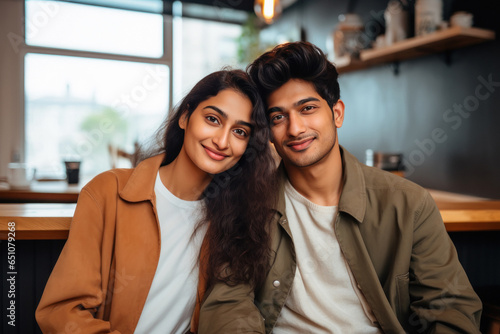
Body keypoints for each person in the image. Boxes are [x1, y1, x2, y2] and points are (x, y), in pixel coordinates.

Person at [198, 42, 482, 333]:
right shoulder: (248, 203)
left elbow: (450, 308)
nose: (295, 129)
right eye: (278, 117)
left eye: (307, 108)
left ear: (337, 114)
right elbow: (228, 304)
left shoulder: (410, 204)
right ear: (268, 131)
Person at [35, 69, 277, 334]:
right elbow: (62, 312)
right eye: (212, 119)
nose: (222, 141)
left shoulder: (235, 218)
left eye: (240, 132)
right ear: (185, 117)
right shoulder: (108, 191)